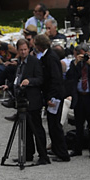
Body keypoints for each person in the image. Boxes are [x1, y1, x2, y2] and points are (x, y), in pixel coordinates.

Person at [35, 34, 69, 162]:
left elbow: (55, 79)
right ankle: (57, 149)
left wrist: (50, 96)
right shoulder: (49, 56)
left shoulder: (50, 58)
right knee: (52, 123)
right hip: (54, 93)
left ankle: (62, 153)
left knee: (55, 125)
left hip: (55, 95)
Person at [66, 44, 90, 157]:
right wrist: (76, 64)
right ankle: (77, 149)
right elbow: (69, 77)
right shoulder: (74, 63)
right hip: (79, 96)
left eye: (84, 53)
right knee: (79, 125)